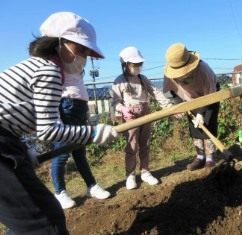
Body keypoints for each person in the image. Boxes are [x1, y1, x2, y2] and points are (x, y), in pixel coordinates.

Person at [0, 11, 119, 234]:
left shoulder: (35, 66)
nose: (84, 57)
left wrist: (25, 151)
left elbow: (10, 117)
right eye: (80, 48)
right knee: (43, 224)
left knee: (36, 219)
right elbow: (48, 130)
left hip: (8, 143)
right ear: (59, 42)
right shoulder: (48, 71)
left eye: (87, 52)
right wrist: (92, 133)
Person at [111, 46, 172, 190]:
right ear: (125, 64)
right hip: (130, 117)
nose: (138, 67)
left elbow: (156, 93)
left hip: (146, 112)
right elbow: (114, 102)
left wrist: (169, 106)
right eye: (135, 64)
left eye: (140, 64)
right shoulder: (119, 81)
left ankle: (145, 171)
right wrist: (123, 109)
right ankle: (130, 175)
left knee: (145, 144)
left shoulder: (143, 79)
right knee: (132, 146)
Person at [51, 70, 111, 210]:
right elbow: (52, 96)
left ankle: (91, 186)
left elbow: (82, 94)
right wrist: (57, 120)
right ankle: (60, 192)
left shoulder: (77, 73)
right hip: (64, 111)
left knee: (80, 154)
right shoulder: (57, 69)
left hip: (80, 111)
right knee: (61, 157)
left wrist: (87, 116)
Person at [163, 43, 220, 171]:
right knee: (194, 127)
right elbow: (168, 92)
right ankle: (200, 156)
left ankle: (210, 157)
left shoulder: (203, 70)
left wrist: (201, 113)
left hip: (209, 96)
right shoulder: (169, 74)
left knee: (207, 124)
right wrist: (177, 102)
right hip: (188, 99)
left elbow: (209, 95)